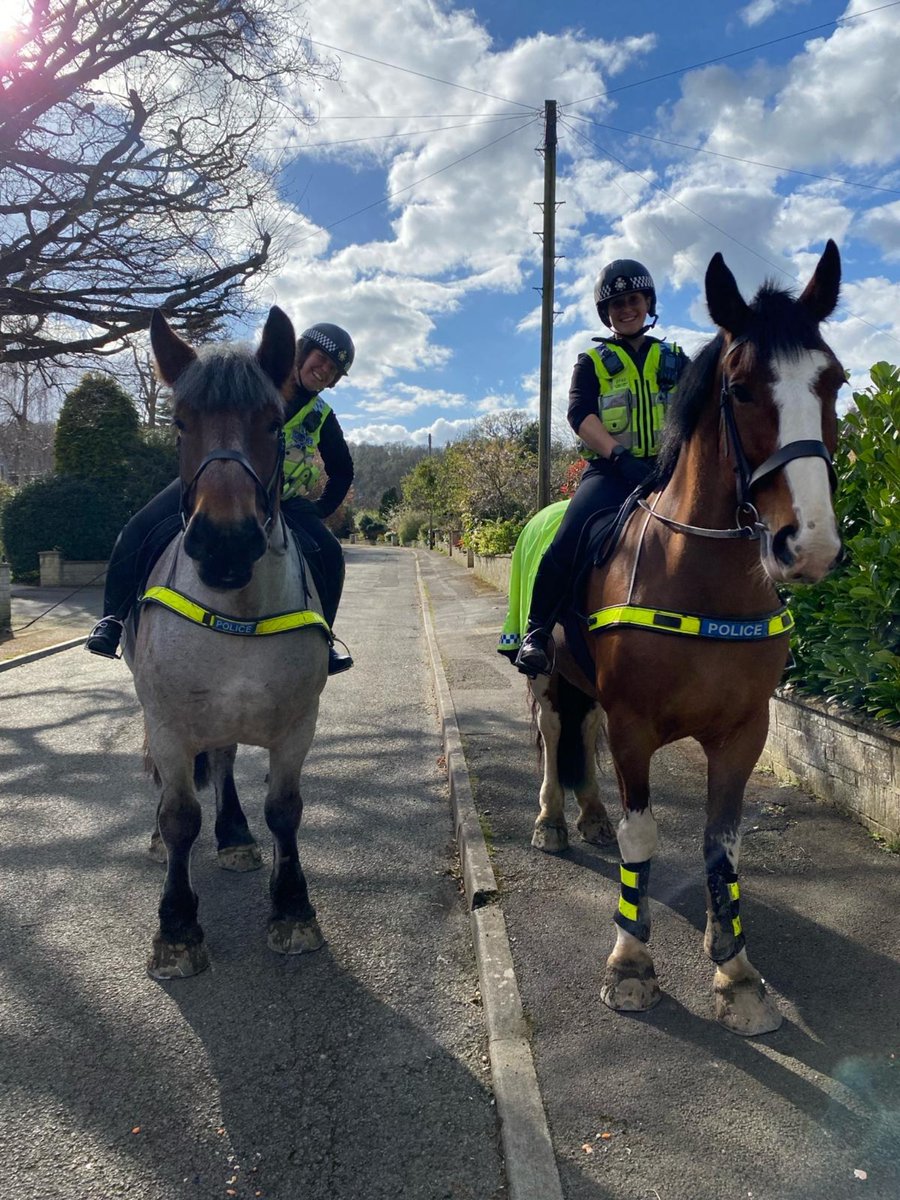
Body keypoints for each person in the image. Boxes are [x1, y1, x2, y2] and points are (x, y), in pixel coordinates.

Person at [85, 322, 357, 675]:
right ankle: (112, 620)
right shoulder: (256, 383)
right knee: (136, 530)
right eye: (321, 359)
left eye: (333, 370)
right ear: (302, 353)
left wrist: (320, 510)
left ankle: (325, 639)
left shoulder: (321, 415)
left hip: (284, 501)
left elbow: (343, 470)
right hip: (215, 484)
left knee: (331, 553)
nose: (324, 371)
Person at [513, 259, 689, 677]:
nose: (626, 309)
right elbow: (580, 414)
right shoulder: (591, 361)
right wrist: (618, 456)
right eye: (615, 304)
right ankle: (537, 632)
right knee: (567, 537)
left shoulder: (677, 359)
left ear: (648, 303)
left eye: (633, 300)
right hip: (612, 472)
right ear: (605, 313)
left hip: (671, 471)